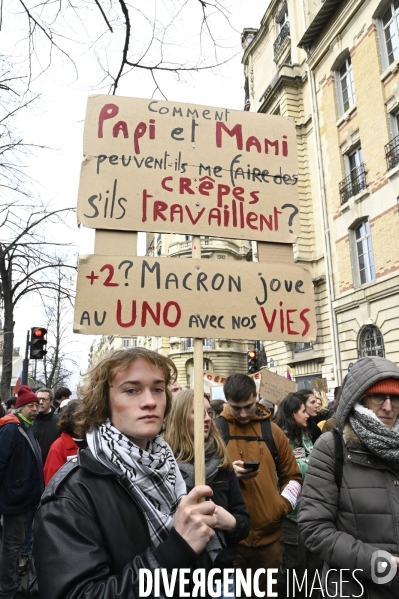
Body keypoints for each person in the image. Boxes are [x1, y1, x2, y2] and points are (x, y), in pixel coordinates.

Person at [31, 347, 219, 599]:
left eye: (157, 388)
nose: (150, 401)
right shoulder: (71, 494)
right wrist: (175, 551)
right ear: (104, 402)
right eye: (131, 390)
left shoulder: (171, 470)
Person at [298, 356, 399, 598]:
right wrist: (378, 564)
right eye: (378, 397)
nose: (388, 407)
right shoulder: (332, 447)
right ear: (359, 399)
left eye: (395, 398)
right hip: (356, 589)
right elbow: (314, 529)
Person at [220, 374, 302, 598]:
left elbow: (293, 477)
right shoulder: (216, 432)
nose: (244, 413)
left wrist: (282, 505)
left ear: (256, 397)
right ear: (227, 400)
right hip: (231, 543)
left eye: (248, 406)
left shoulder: (273, 432)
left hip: (270, 542)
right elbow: (200, 479)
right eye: (236, 408)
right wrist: (228, 474)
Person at [164, 389, 250, 597]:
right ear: (179, 416)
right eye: (197, 412)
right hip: (179, 578)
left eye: (209, 412)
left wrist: (230, 523)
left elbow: (244, 522)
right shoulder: (162, 465)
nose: (206, 419)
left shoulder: (222, 463)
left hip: (220, 576)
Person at [273, 392, 320, 597]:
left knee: (314, 568)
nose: (307, 415)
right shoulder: (280, 441)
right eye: (303, 411)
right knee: (295, 571)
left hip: (311, 516)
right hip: (291, 518)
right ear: (293, 414)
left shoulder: (305, 437)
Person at [0, 385, 43, 599]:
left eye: (36, 405)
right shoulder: (11, 429)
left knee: (16, 545)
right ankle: (8, 589)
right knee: (12, 546)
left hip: (25, 498)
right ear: (20, 407)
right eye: (30, 405)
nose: (35, 409)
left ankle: (12, 583)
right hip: (15, 498)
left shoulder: (26, 427)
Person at [43, 400, 87, 485]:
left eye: (87, 417)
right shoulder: (59, 446)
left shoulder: (94, 443)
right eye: (80, 417)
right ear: (71, 420)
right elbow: (51, 482)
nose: (85, 421)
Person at [32, 387, 60, 463]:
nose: (40, 402)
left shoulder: (59, 423)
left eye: (44, 399)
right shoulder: (28, 420)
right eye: (38, 399)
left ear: (51, 402)